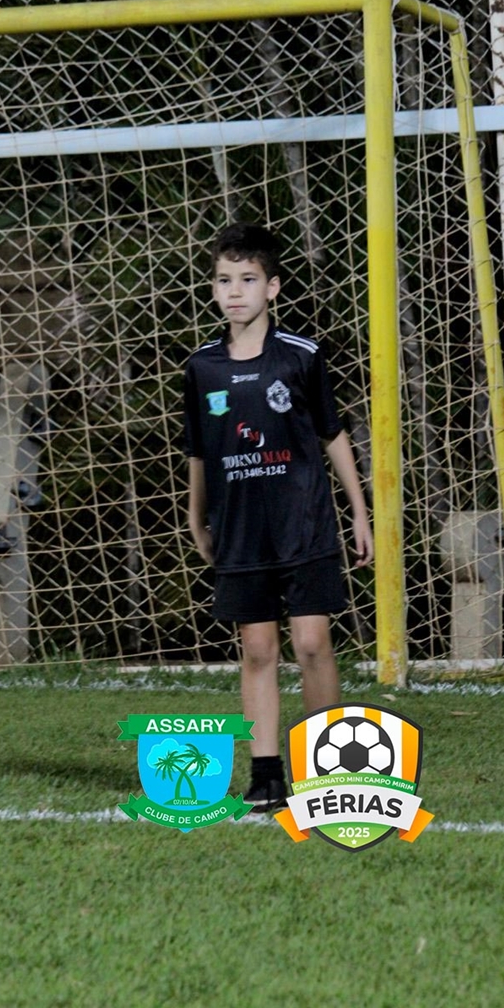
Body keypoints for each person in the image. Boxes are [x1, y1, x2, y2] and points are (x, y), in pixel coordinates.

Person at [184, 223, 374, 811]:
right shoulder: (202, 367)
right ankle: (266, 775)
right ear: (213, 289)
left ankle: (328, 767)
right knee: (259, 649)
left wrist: (358, 512)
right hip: (241, 529)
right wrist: (195, 517)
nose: (234, 291)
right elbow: (199, 450)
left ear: (272, 288)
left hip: (304, 521)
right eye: (224, 280)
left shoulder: (302, 356)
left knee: (312, 643)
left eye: (247, 279)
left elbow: (332, 434)